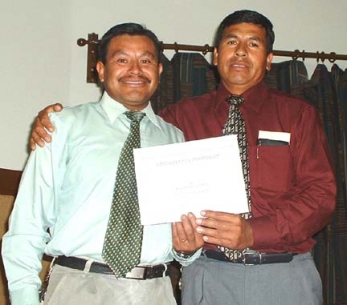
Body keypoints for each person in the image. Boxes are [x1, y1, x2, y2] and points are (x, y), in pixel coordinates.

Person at [27, 10, 336, 305]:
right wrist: (51, 121)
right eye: (232, 42)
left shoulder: (298, 115)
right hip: (207, 274)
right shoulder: (176, 120)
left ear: (269, 60)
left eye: (253, 44)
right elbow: (124, 139)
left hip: (283, 273)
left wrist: (254, 232)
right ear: (216, 56)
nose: (241, 51)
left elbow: (321, 197)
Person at [2, 23, 204, 305]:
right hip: (77, 287)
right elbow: (28, 223)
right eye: (122, 60)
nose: (135, 69)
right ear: (100, 69)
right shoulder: (62, 126)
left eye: (145, 60)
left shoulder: (175, 137)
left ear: (158, 71)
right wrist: (24, 299)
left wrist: (185, 251)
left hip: (155, 291)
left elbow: (181, 234)